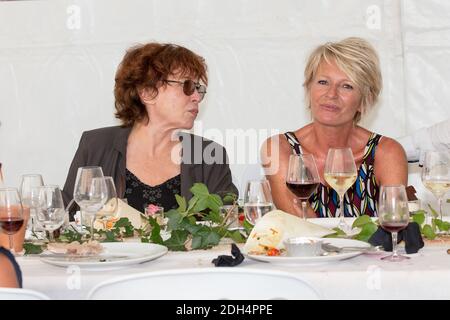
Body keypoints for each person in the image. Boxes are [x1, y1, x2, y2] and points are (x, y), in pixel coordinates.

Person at [63, 43, 238, 215]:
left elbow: (227, 225)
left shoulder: (209, 156)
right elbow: (68, 219)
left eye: (198, 88)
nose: (196, 97)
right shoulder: (95, 146)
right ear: (147, 92)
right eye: (187, 86)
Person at [261, 37, 407, 218]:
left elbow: (395, 224)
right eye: (323, 82)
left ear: (364, 101)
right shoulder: (278, 148)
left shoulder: (386, 152)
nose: (331, 94)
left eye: (347, 86)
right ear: (308, 89)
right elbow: (302, 224)